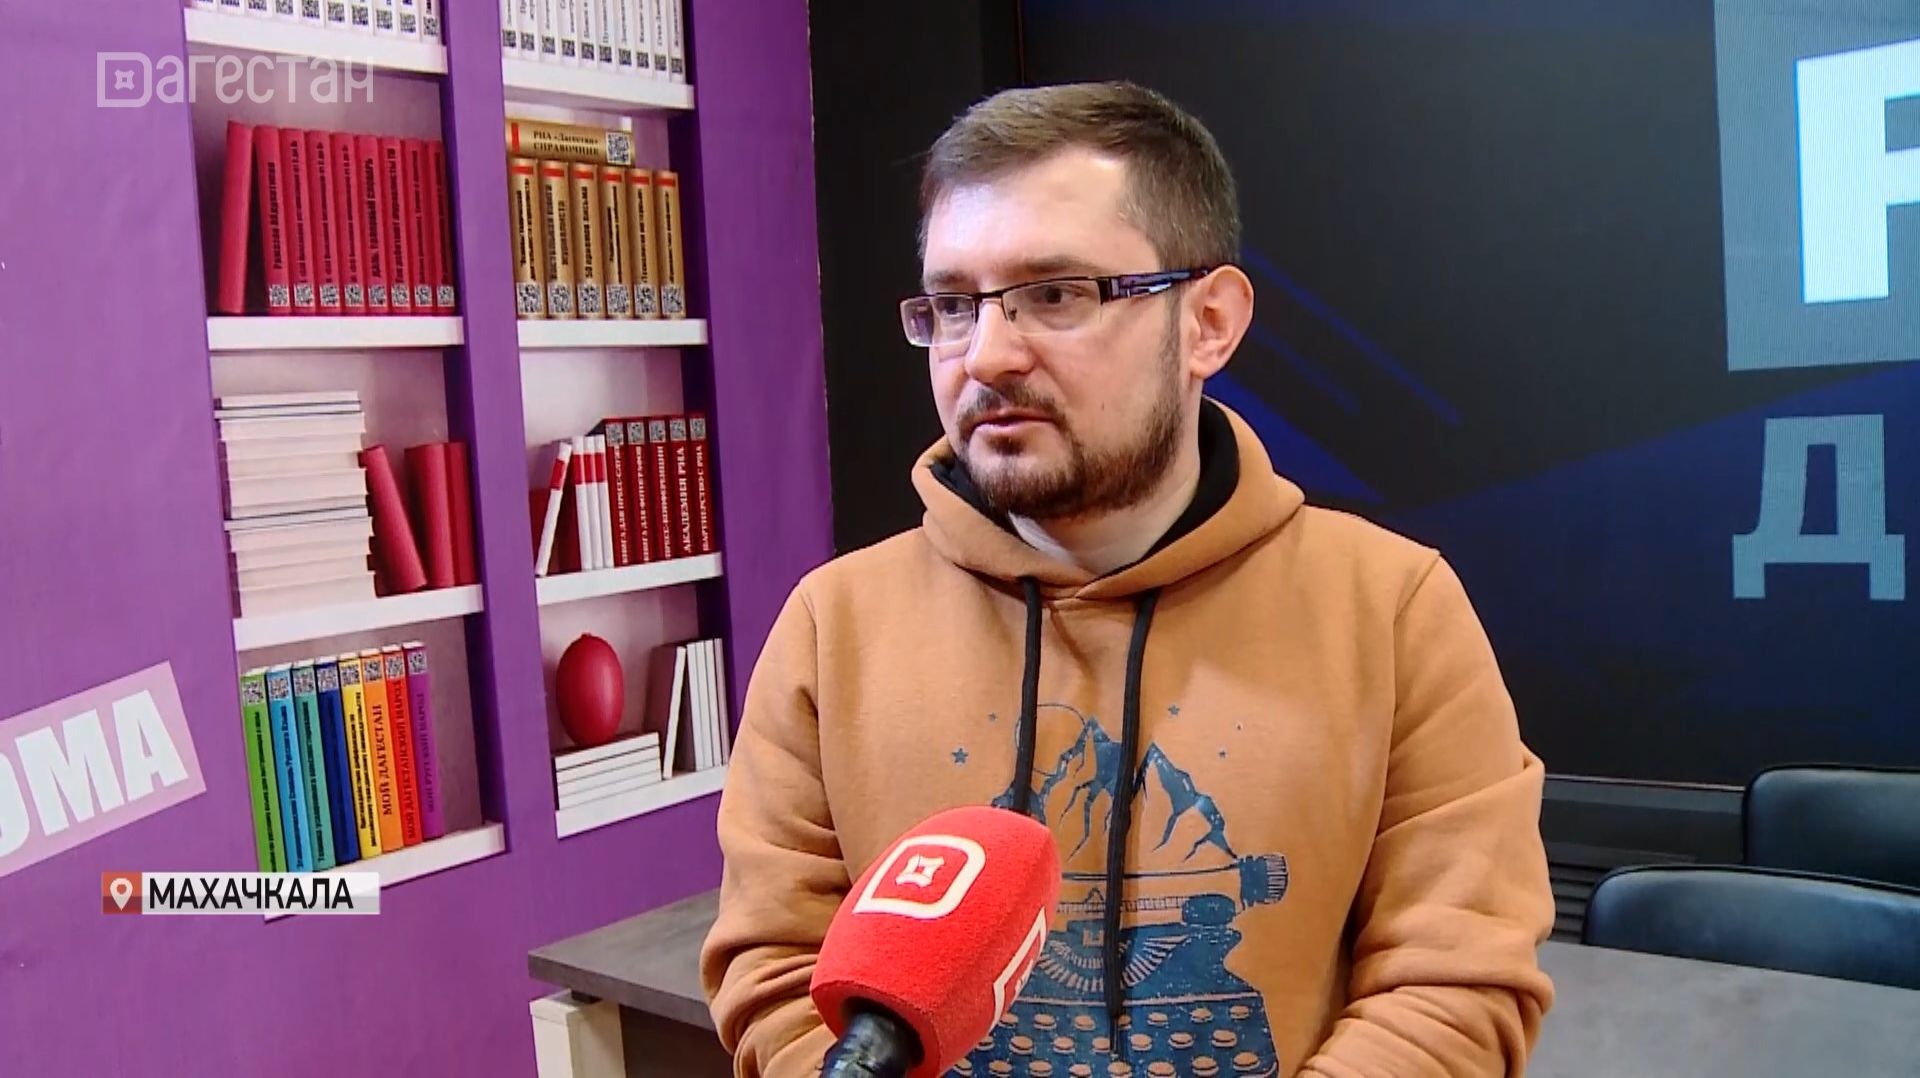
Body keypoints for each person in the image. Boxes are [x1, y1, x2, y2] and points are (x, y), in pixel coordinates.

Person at [701, 80, 1555, 1077]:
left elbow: (1455, 983)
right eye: (954, 305)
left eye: (1056, 294)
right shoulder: (830, 626)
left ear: (1208, 323)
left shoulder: (1396, 610)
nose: (987, 355)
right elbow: (778, 969)